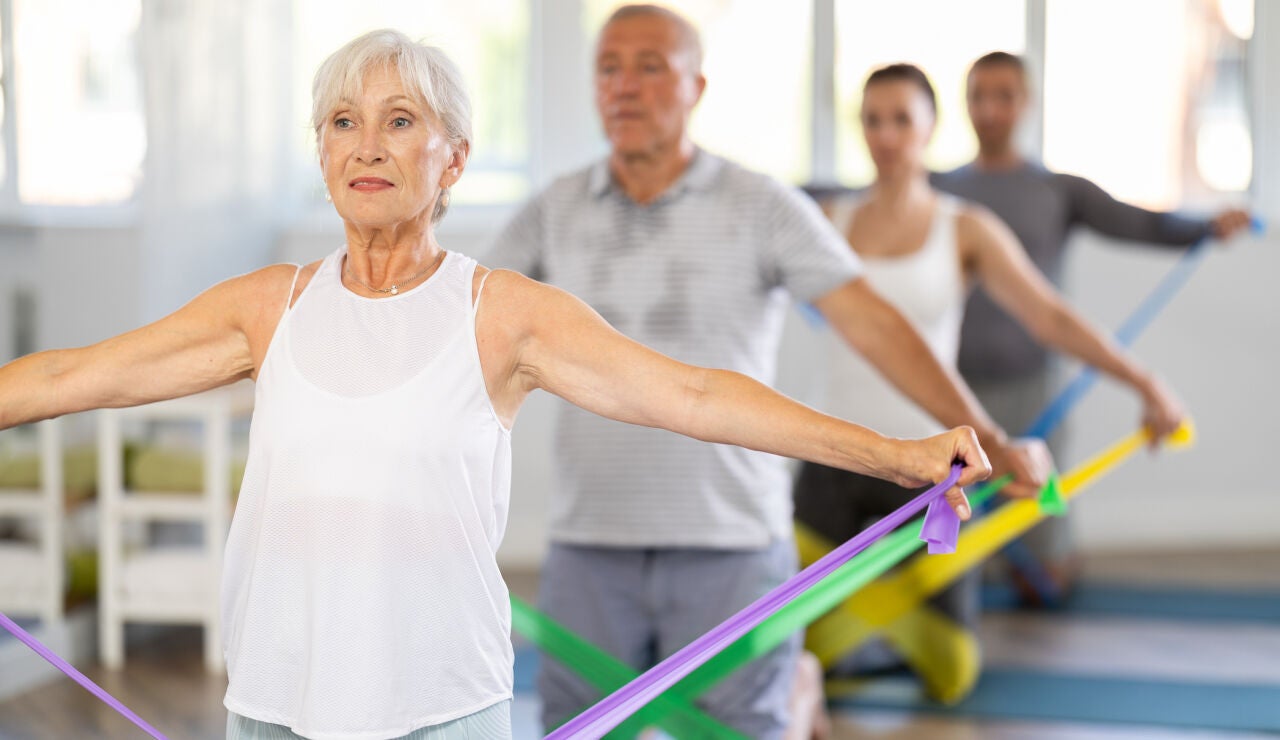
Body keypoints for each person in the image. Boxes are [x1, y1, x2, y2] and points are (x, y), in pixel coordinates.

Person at [0, 30, 993, 740]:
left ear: (454, 160)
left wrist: (898, 454)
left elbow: (693, 396)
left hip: (440, 699)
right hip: (273, 694)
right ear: (321, 153)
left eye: (400, 121)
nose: (367, 145)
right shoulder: (269, 305)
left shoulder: (503, 313)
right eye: (342, 122)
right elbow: (76, 372)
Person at [483, 6, 1048, 737]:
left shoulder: (761, 205)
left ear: (697, 86)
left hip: (734, 544)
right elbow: (463, 328)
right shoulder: (550, 211)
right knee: (578, 727)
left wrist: (992, 441)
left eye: (651, 66)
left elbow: (874, 324)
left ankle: (798, 691)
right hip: (590, 540)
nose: (625, 86)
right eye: (608, 68)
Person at [795, 63, 1185, 703]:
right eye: (872, 119)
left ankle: (871, 634)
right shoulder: (827, 220)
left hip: (926, 472)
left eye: (901, 119)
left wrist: (1145, 382)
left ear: (929, 128)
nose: (886, 135)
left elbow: (1049, 315)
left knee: (951, 673)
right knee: (797, 654)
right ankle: (847, 642)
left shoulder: (964, 227)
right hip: (834, 462)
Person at [932, 51, 1252, 596]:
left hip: (1032, 388)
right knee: (947, 553)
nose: (989, 110)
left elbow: (1140, 223)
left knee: (1044, 572)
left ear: (1025, 103)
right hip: (947, 387)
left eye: (1003, 96)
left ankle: (1054, 564)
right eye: (978, 96)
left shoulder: (1058, 190)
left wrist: (1204, 228)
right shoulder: (935, 189)